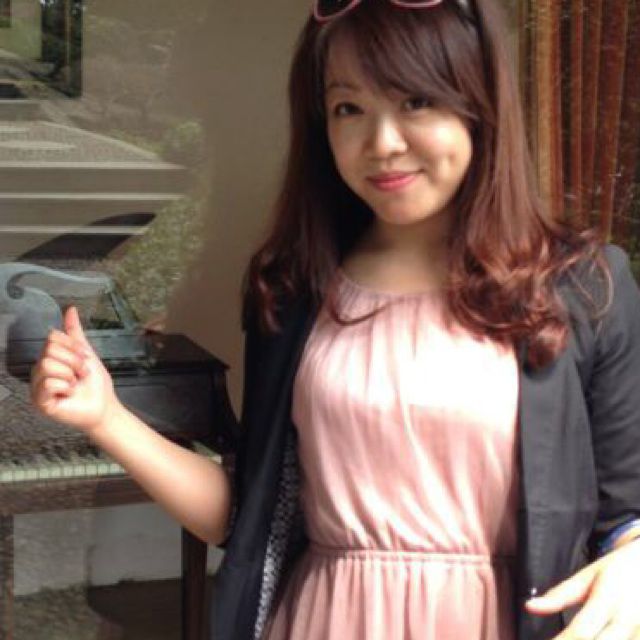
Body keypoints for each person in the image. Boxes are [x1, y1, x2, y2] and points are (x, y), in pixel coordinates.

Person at [30, 0, 640, 638]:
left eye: (416, 102)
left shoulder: (583, 288)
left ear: (479, 104)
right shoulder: (294, 289)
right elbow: (247, 518)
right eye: (350, 108)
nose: (383, 144)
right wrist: (106, 418)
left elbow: (625, 518)